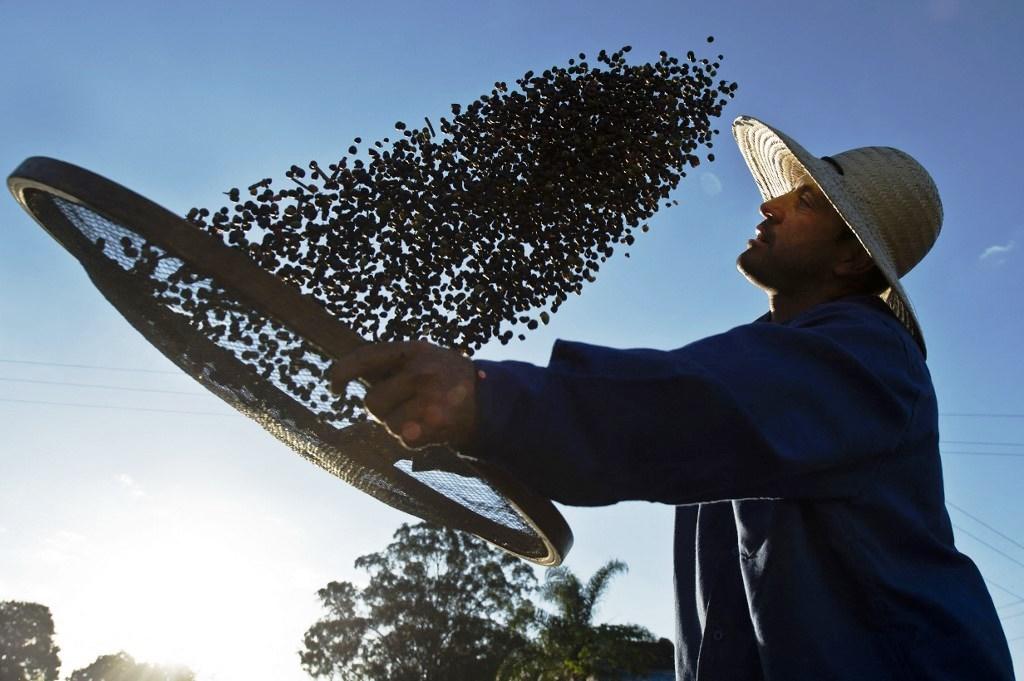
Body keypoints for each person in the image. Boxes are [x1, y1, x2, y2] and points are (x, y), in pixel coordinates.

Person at [329, 115, 1015, 679]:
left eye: (806, 201)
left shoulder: (865, 356)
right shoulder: (761, 359)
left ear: (851, 259)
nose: (769, 203)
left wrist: (490, 402)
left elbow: (689, 408)